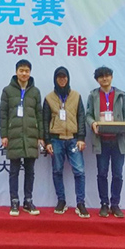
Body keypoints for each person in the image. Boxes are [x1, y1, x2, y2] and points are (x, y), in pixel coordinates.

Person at [86, 66, 125, 218]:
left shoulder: (120, 95)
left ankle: (115, 204)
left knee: (118, 174)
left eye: (107, 76)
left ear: (111, 77)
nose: (104, 79)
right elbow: (88, 114)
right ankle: (104, 204)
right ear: (97, 80)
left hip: (118, 141)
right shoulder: (93, 96)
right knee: (102, 173)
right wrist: (92, 123)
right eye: (101, 77)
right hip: (102, 141)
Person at [43, 66, 89, 218]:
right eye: (59, 77)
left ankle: (80, 203)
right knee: (57, 170)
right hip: (56, 139)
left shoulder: (76, 96)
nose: (62, 80)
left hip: (73, 139)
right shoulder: (49, 98)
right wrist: (47, 141)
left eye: (64, 77)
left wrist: (81, 138)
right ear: (55, 79)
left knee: (79, 171)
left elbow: (81, 117)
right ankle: (61, 201)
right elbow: (45, 121)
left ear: (68, 78)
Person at [0, 59, 44, 216]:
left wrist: (40, 136)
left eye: (27, 71)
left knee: (30, 171)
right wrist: (4, 135)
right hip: (14, 135)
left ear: (30, 72)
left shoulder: (35, 92)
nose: (24, 73)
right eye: (21, 70)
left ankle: (28, 201)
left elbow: (39, 115)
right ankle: (14, 201)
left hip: (31, 136)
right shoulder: (7, 91)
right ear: (16, 72)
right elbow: (3, 114)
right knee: (14, 171)